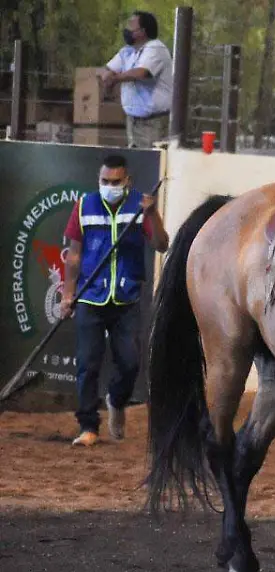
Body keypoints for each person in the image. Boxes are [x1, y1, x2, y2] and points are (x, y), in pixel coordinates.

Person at [60, 154, 169, 447]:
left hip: (127, 298)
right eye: (104, 181)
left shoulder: (139, 207)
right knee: (87, 364)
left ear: (127, 181)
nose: (109, 186)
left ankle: (116, 401)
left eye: (115, 182)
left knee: (131, 363)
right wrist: (68, 294)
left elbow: (162, 244)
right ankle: (88, 426)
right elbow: (74, 254)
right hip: (90, 297)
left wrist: (152, 215)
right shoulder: (84, 205)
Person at [102, 11, 174, 149]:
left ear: (143, 31)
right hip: (133, 121)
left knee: (154, 162)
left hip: (153, 122)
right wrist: (108, 78)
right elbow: (109, 69)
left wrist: (115, 79)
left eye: (131, 25)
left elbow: (142, 72)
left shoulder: (155, 48)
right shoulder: (128, 51)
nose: (127, 29)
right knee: (137, 162)